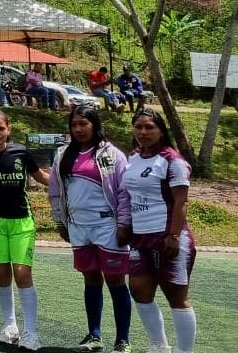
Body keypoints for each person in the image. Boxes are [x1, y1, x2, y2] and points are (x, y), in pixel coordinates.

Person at [48, 104, 134, 353]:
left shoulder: (112, 154)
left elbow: (124, 192)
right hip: (78, 226)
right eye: (74, 124)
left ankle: (123, 339)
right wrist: (60, 221)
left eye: (83, 124)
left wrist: (123, 224)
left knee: (115, 280)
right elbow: (55, 191)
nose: (78, 129)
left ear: (94, 125)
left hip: (107, 225)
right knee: (91, 278)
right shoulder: (63, 154)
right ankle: (94, 335)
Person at [0, 109, 50, 350]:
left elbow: (41, 177)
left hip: (22, 221)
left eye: (1, 128)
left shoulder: (21, 152)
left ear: (9, 130)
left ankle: (31, 333)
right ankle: (10, 326)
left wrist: (70, 180)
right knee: (2, 274)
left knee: (22, 273)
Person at [123, 109, 198, 353]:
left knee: (176, 296)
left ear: (161, 130)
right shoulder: (133, 157)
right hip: (140, 237)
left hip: (168, 236)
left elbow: (181, 201)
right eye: (138, 127)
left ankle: (184, 351)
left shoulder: (172, 160)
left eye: (149, 127)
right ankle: (159, 346)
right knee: (139, 290)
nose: (143, 132)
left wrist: (174, 235)